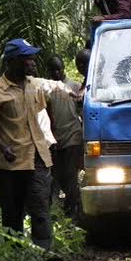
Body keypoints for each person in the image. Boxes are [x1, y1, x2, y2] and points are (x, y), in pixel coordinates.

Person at [0, 39, 54, 250]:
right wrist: (3, 147)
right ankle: (16, 259)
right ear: (12, 62)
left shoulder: (35, 86)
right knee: (12, 214)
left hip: (38, 157)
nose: (32, 62)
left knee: (40, 209)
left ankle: (45, 255)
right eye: (26, 58)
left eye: (32, 57)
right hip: (11, 164)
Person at [45, 55, 83, 218]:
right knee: (58, 176)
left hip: (73, 136)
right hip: (56, 139)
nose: (56, 72)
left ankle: (72, 212)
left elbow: (82, 111)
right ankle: (70, 207)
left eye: (59, 68)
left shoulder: (74, 86)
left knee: (70, 175)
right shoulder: (47, 90)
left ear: (63, 68)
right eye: (53, 70)